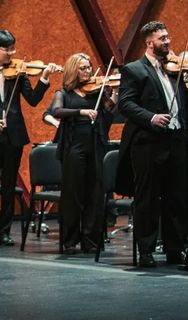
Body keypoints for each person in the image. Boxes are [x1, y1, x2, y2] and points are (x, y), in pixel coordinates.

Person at [117, 21, 188, 267]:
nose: (168, 41)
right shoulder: (134, 70)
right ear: (149, 42)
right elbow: (126, 104)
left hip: (176, 142)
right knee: (148, 198)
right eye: (162, 38)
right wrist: (151, 117)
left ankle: (175, 248)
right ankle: (146, 250)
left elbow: (185, 105)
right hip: (148, 144)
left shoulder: (174, 71)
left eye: (168, 37)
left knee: (177, 197)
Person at [0, 29, 61, 247]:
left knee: (9, 186)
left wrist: (45, 78)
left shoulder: (19, 72)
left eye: (13, 48)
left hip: (14, 137)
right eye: (7, 49)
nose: (12, 53)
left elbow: (33, 100)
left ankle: (6, 232)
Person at [49, 53, 115, 253]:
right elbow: (56, 111)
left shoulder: (97, 92)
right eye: (83, 68)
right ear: (73, 70)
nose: (88, 71)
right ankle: (70, 240)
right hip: (74, 148)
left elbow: (110, 110)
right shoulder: (64, 93)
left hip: (95, 146)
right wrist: (81, 112)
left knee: (95, 194)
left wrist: (115, 93)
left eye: (89, 67)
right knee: (73, 195)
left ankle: (91, 240)